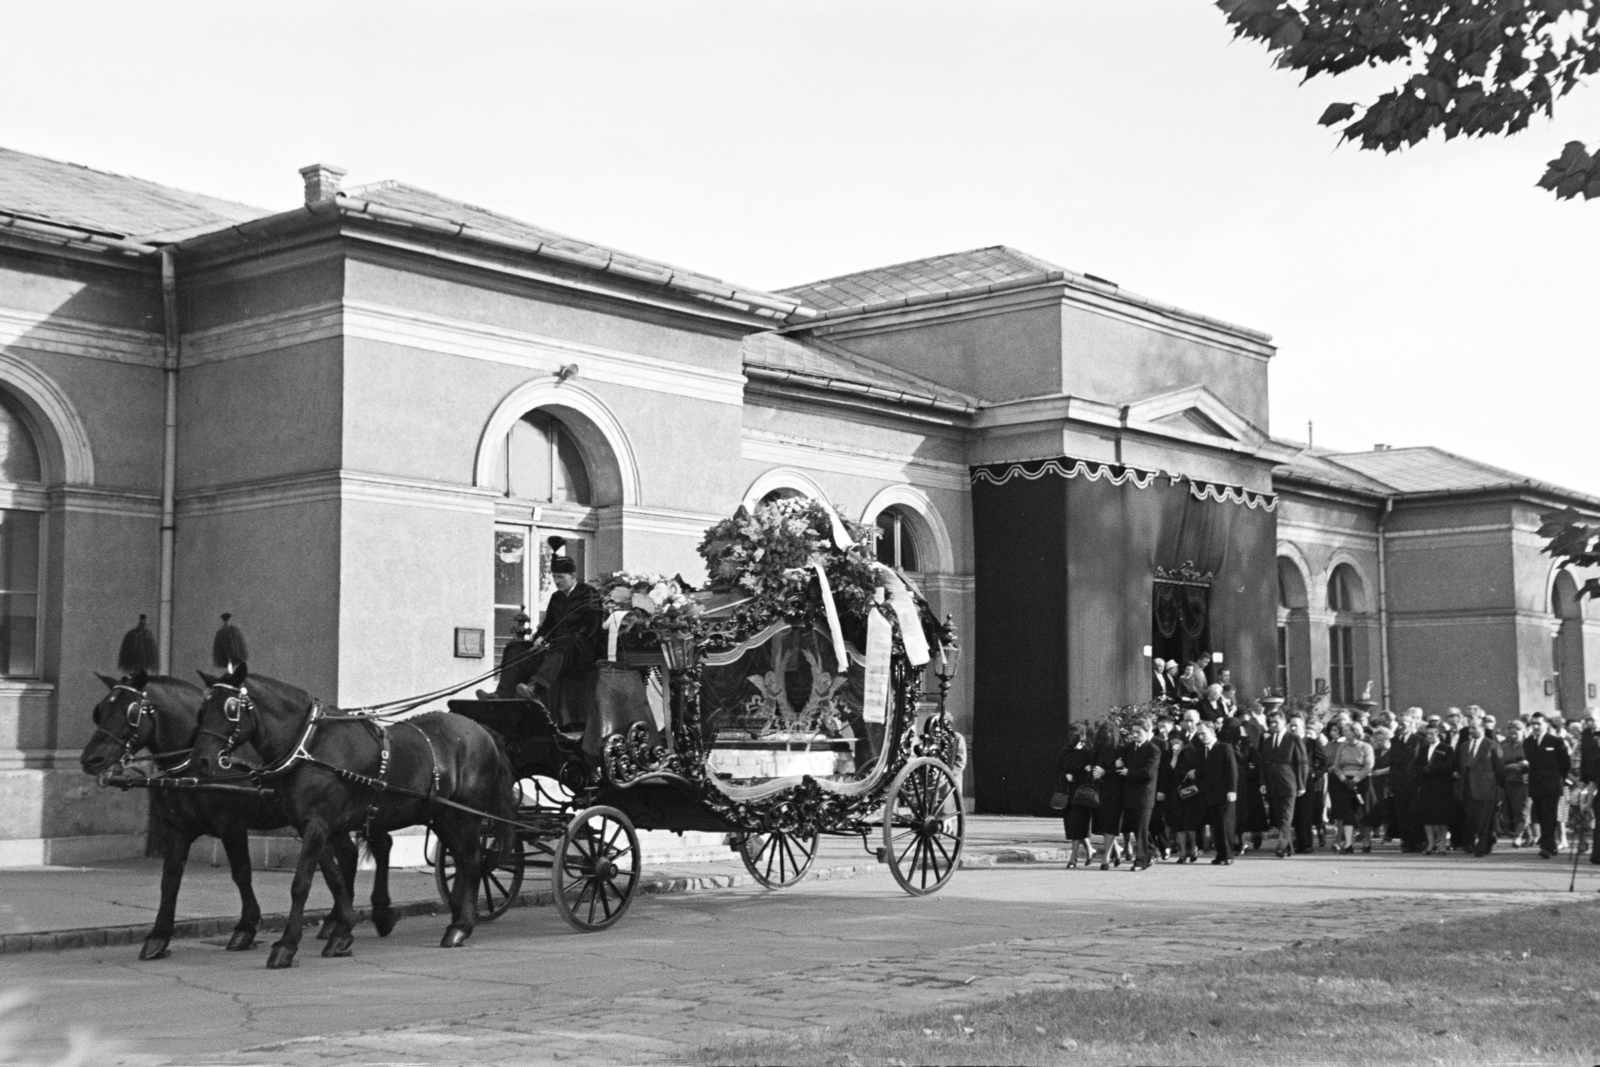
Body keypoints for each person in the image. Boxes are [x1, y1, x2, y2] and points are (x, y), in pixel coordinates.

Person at [515, 544, 606, 721]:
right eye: (554, 577)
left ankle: (536, 687)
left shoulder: (589, 593)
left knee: (564, 643)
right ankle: (503, 694)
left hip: (583, 650)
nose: (557, 581)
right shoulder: (556, 597)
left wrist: (560, 639)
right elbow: (548, 624)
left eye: (560, 577)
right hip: (559, 649)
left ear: (573, 576)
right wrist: (540, 637)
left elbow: (590, 627)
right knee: (517, 647)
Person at [1454, 714, 1506, 857]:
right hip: (1467, 788)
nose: (1471, 730)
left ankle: (1481, 847)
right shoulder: (1464, 746)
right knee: (1471, 818)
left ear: (1483, 729)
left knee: (1483, 818)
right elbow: (1460, 765)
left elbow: (1500, 768)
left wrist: (1500, 788)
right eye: (1470, 727)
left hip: (1485, 788)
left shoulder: (1491, 744)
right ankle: (1487, 840)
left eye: (1474, 728)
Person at [1259, 706, 1306, 858]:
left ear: (1284, 722)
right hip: (1272, 784)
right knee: (1279, 817)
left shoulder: (1293, 739)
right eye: (1270, 722)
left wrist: (1301, 784)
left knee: (1286, 816)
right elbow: (1263, 764)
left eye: (1276, 722)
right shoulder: (1267, 741)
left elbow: (1302, 763)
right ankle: (1288, 848)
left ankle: (1281, 845)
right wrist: (1263, 783)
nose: (1273, 725)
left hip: (1289, 783)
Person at [1525, 712, 1573, 859]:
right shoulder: (1528, 742)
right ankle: (1550, 845)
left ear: (1546, 724)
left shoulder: (1556, 741)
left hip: (1551, 785)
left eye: (1538, 723)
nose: (1535, 726)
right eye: (1533, 723)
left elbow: (1565, 764)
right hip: (1536, 785)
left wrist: (1558, 779)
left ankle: (1546, 846)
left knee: (1549, 815)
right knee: (1540, 815)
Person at [1116, 717, 1161, 871]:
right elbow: (1120, 758)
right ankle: (1152, 852)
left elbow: (1148, 773)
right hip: (1129, 794)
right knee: (1138, 828)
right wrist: (1119, 762)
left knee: (1141, 829)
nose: (1135, 735)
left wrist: (1129, 772)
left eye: (1139, 732)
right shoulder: (1129, 748)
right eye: (1133, 732)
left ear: (1147, 732)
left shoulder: (1153, 750)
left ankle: (1140, 861)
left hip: (1144, 796)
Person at [1327, 719, 1375, 854]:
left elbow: (1368, 766)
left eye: (1347, 731)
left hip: (1362, 782)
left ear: (1355, 732)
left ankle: (1366, 840)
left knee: (1363, 812)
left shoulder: (1366, 747)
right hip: (1344, 782)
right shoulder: (1343, 747)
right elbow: (1336, 766)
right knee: (1347, 812)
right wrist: (1343, 778)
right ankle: (1348, 843)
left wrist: (1356, 779)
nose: (1344, 733)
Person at [1194, 720, 1238, 865]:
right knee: (1215, 825)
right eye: (1198, 733)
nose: (1200, 736)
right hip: (1208, 794)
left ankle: (1228, 855)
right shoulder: (1201, 750)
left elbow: (1232, 770)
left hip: (1224, 793)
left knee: (1225, 824)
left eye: (1203, 733)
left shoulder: (1224, 747)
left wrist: (1232, 790)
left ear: (1212, 732)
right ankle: (1220, 854)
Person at [1055, 723, 1096, 869]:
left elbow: (1093, 770)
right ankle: (1090, 850)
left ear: (1083, 736)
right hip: (1069, 791)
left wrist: (1089, 769)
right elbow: (1059, 767)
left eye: (1076, 735)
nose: (1073, 737)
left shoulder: (1089, 752)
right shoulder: (1065, 751)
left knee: (1079, 824)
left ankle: (1073, 858)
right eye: (1071, 734)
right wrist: (1065, 774)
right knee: (1073, 825)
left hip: (1083, 793)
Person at [1416, 722, 1458, 854]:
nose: (1429, 736)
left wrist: (1432, 769)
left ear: (1439, 735)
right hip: (1426, 786)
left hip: (1442, 786)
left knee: (1441, 817)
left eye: (1432, 734)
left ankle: (1442, 844)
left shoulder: (1446, 748)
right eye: (1427, 734)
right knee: (1427, 816)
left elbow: (1449, 765)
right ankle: (1430, 843)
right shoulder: (1423, 748)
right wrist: (1422, 769)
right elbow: (1417, 763)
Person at [1090, 720, 1126, 870]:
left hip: (1115, 790)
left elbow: (1122, 769)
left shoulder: (1120, 749)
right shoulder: (1096, 749)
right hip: (1100, 790)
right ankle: (1116, 849)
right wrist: (1093, 770)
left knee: (1110, 823)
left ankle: (1106, 856)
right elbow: (1092, 764)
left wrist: (1105, 771)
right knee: (1103, 824)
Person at [1499, 718, 1531, 847]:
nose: (1513, 736)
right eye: (1511, 733)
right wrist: (1511, 766)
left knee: (1523, 810)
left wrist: (1526, 763)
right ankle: (1529, 835)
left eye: (1516, 732)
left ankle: (1518, 836)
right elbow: (1499, 763)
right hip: (1509, 780)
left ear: (1523, 731)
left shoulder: (1529, 744)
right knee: (1513, 810)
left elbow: (1537, 760)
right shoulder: (1503, 746)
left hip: (1525, 781)